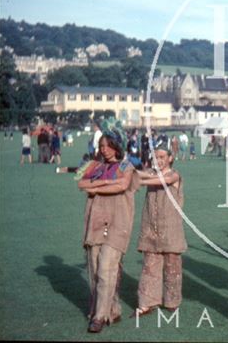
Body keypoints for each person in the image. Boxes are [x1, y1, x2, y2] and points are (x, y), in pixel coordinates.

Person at [76, 118, 138, 333]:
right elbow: (81, 184)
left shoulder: (126, 165)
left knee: (106, 269)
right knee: (94, 270)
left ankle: (99, 317)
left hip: (117, 222)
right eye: (102, 146)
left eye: (109, 145)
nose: (105, 149)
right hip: (94, 222)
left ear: (117, 145)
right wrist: (98, 182)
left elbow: (121, 186)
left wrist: (98, 185)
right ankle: (113, 309)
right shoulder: (95, 166)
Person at [133, 144, 187, 317]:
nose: (159, 160)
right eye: (156, 157)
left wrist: (137, 180)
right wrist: (129, 171)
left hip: (171, 230)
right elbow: (141, 173)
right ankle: (147, 303)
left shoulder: (175, 174)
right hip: (151, 228)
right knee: (149, 267)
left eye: (162, 156)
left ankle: (172, 302)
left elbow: (163, 181)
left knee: (172, 268)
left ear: (170, 158)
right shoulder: (151, 173)